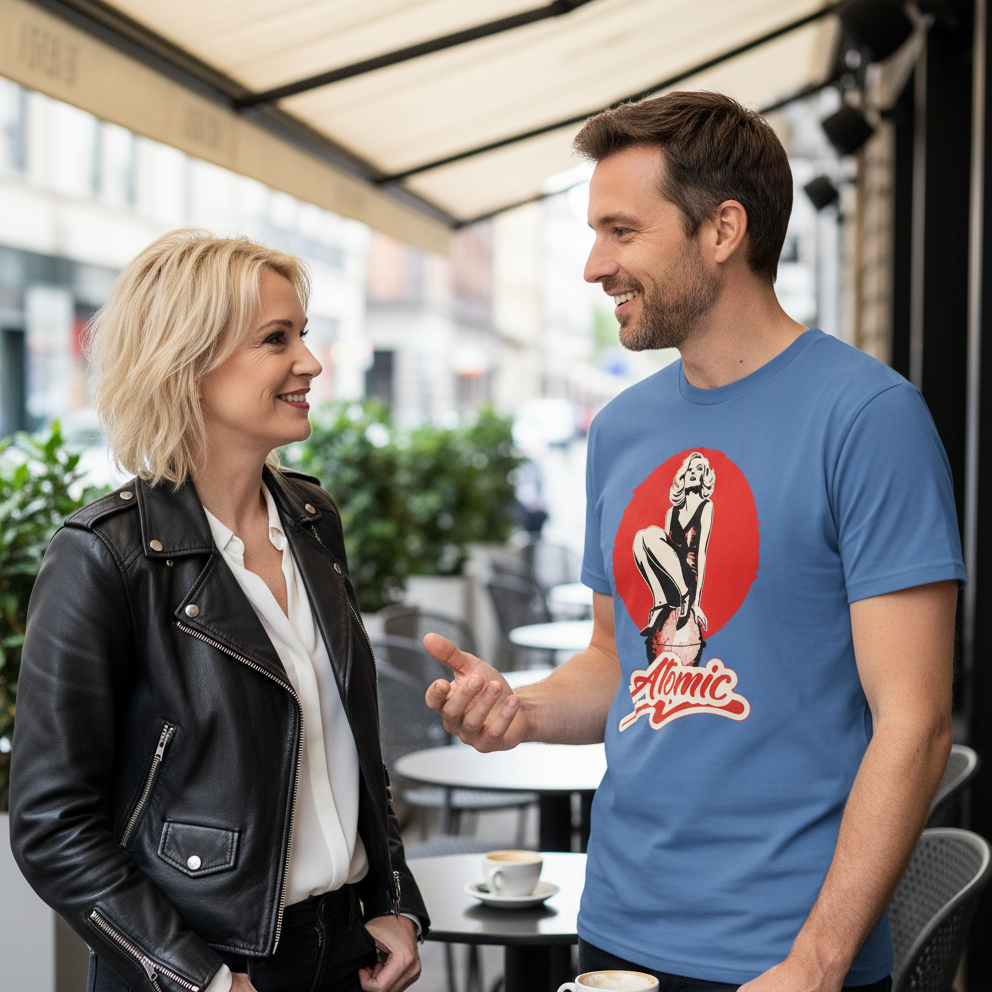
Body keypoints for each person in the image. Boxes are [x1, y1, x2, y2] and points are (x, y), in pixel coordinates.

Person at [425, 91, 964, 992]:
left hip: (785, 956)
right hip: (616, 929)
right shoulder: (623, 429)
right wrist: (518, 711)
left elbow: (915, 725)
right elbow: (615, 664)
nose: (596, 265)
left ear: (723, 230)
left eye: (622, 231)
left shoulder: (870, 418)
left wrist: (818, 961)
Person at [9, 231, 426, 992]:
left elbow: (355, 747)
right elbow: (51, 826)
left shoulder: (310, 517)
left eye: (302, 333)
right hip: (209, 964)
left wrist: (393, 900)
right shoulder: (104, 555)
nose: (311, 360)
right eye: (277, 339)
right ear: (189, 363)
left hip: (344, 950)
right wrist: (198, 978)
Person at [633, 450, 714, 637]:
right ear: (683, 476)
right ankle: (660, 603)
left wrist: (697, 603)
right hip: (672, 577)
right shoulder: (672, 512)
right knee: (641, 537)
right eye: (690, 469)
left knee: (650, 533)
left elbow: (701, 552)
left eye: (699, 469)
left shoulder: (706, 506)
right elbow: (664, 552)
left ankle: (685, 595)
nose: (693, 472)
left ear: (704, 477)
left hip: (688, 581)